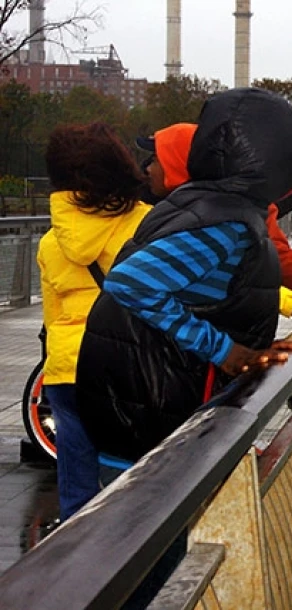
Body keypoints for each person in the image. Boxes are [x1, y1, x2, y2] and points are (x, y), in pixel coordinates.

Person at [76, 88, 292, 463]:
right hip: (152, 413)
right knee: (150, 517)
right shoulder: (225, 223)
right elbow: (131, 283)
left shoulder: (202, 205)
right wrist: (223, 351)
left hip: (138, 402)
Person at [136, 123, 292, 316]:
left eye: (156, 159)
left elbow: (277, 263)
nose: (147, 168)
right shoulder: (151, 207)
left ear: (177, 164)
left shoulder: (228, 209)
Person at [36, 123, 151, 520]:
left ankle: (77, 565)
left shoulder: (51, 243)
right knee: (139, 481)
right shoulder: (146, 226)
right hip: (124, 363)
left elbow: (53, 320)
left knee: (77, 483)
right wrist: (291, 303)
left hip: (67, 371)